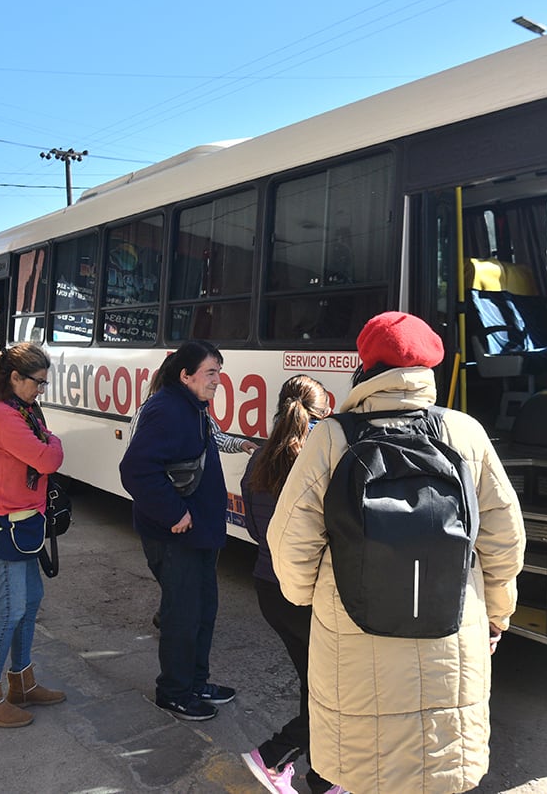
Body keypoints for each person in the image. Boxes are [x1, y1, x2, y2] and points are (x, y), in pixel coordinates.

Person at [267, 311, 526, 794]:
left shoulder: (333, 437)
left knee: (367, 771)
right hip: (451, 629)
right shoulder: (464, 433)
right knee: (438, 771)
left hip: (353, 636)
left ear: (367, 367)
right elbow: (505, 541)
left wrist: (309, 598)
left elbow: (290, 545)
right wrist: (499, 615)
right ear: (427, 370)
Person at [239, 375, 346, 794]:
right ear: (322, 413)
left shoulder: (259, 459)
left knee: (315, 683)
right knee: (334, 692)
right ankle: (273, 757)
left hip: (270, 587)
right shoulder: (321, 463)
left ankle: (323, 778)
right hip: (309, 594)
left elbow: (253, 527)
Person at [119, 340, 234, 722]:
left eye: (219, 372)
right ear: (185, 375)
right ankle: (174, 692)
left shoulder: (192, 407)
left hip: (198, 534)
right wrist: (174, 513)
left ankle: (195, 682)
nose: (218, 380)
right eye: (211, 373)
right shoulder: (168, 410)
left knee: (203, 610)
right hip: (176, 535)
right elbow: (135, 469)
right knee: (182, 616)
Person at [0, 343, 66, 728]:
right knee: (9, 613)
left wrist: (46, 438)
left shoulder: (19, 410)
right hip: (5, 526)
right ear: (14, 378)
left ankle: (22, 683)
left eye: (43, 383)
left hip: (21, 525)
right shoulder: (3, 416)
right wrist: (52, 441)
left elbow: (40, 449)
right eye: (37, 383)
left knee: (31, 600)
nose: (41, 390)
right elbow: (48, 458)